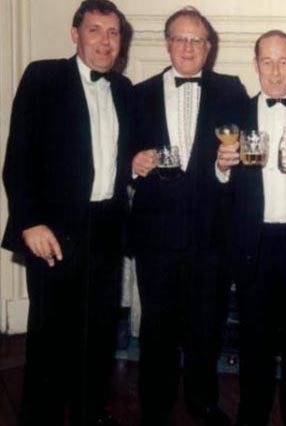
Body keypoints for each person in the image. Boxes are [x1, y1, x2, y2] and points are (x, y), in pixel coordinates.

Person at [1, 1, 132, 425]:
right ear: (75, 35)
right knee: (49, 337)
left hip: (106, 229)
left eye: (113, 33)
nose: (105, 41)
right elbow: (17, 156)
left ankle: (90, 412)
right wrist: (28, 222)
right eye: (95, 30)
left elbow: (124, 156)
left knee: (97, 335)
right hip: (53, 231)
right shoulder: (44, 76)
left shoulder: (125, 90)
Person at [129, 7, 247, 426]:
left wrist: (224, 166)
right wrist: (133, 163)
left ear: (209, 48)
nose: (188, 48)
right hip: (155, 234)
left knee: (206, 326)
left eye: (197, 40)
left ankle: (202, 402)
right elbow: (115, 155)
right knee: (157, 328)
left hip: (210, 234)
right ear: (166, 44)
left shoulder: (232, 91)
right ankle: (155, 406)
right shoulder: (137, 92)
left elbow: (245, 155)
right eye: (180, 39)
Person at [216, 30, 286, 426]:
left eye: (284, 61)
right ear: (256, 65)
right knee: (254, 342)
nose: (276, 71)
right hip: (255, 244)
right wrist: (222, 168)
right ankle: (252, 417)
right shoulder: (236, 115)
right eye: (267, 61)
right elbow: (219, 189)